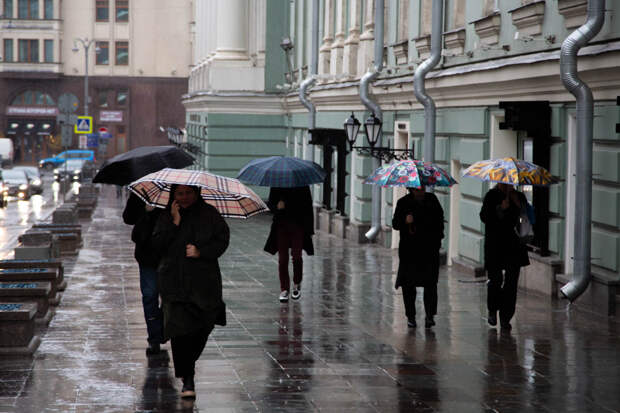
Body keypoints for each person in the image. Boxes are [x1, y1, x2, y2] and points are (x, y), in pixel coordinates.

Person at [151, 184, 230, 399]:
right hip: (174, 282)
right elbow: (157, 245)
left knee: (203, 325)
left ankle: (188, 365)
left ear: (196, 193)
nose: (184, 198)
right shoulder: (167, 216)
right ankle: (188, 379)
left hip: (204, 283)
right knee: (179, 330)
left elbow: (223, 240)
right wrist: (174, 223)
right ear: (173, 196)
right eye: (180, 194)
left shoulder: (210, 214)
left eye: (188, 193)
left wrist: (201, 251)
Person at [392, 186, 444, 329]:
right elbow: (395, 224)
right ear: (411, 189)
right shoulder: (403, 203)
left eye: (422, 189)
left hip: (429, 250)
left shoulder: (432, 200)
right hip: (410, 251)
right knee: (408, 285)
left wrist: (437, 241)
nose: (420, 192)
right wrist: (405, 221)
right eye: (417, 190)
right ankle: (411, 316)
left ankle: (430, 316)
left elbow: (440, 221)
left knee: (430, 284)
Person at [479, 183, 530, 330]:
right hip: (495, 246)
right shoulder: (491, 196)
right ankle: (493, 311)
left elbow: (526, 219)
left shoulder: (518, 196)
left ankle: (506, 317)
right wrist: (501, 209)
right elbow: (484, 217)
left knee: (511, 283)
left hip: (514, 247)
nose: (508, 184)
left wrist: (519, 206)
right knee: (495, 280)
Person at [122, 191, 164, 355]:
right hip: (147, 256)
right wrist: (146, 211)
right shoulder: (140, 192)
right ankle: (154, 338)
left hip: (170, 254)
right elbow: (128, 218)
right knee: (150, 295)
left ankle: (163, 330)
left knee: (170, 297)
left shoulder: (173, 190)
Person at [263, 186, 314, 303]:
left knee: (297, 256)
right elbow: (270, 204)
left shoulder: (303, 186)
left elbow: (308, 207)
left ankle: (296, 284)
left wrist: (310, 230)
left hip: (298, 226)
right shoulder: (276, 185)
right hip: (281, 226)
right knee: (283, 259)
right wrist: (277, 206)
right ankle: (284, 289)